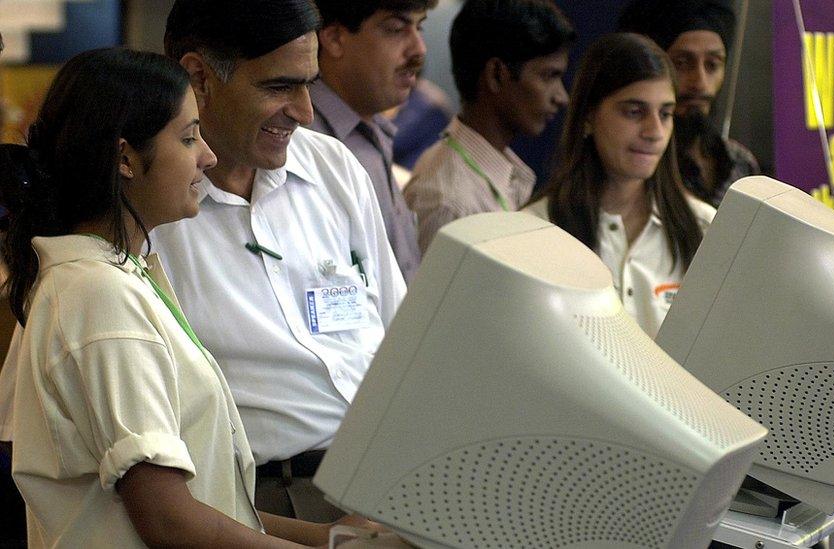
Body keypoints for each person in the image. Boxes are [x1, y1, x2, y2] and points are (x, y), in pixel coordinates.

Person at [1, 46, 375, 548]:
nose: (208, 155)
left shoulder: (121, 275)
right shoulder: (97, 293)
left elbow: (212, 505)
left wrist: (332, 538)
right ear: (126, 158)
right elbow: (168, 521)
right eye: (188, 137)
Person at [156, 0, 406, 522]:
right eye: (278, 87)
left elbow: (401, 341)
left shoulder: (332, 167)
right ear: (198, 77)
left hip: (387, 478)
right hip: (266, 501)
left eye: (309, 84)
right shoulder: (148, 212)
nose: (305, 111)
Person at [525, 33, 715, 338]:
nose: (654, 131)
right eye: (634, 112)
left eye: (665, 114)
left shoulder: (707, 230)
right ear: (589, 116)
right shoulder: (536, 232)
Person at [404, 0, 575, 254]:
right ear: (496, 74)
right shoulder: (450, 201)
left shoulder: (496, 176)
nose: (562, 97)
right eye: (548, 76)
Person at [309, 0, 438, 283]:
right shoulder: (303, 144)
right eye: (395, 29)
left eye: (420, 28)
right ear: (333, 39)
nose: (419, 49)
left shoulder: (372, 128)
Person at [618, 0, 760, 207]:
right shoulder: (638, 164)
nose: (700, 83)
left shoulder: (741, 164)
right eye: (682, 64)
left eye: (712, 65)